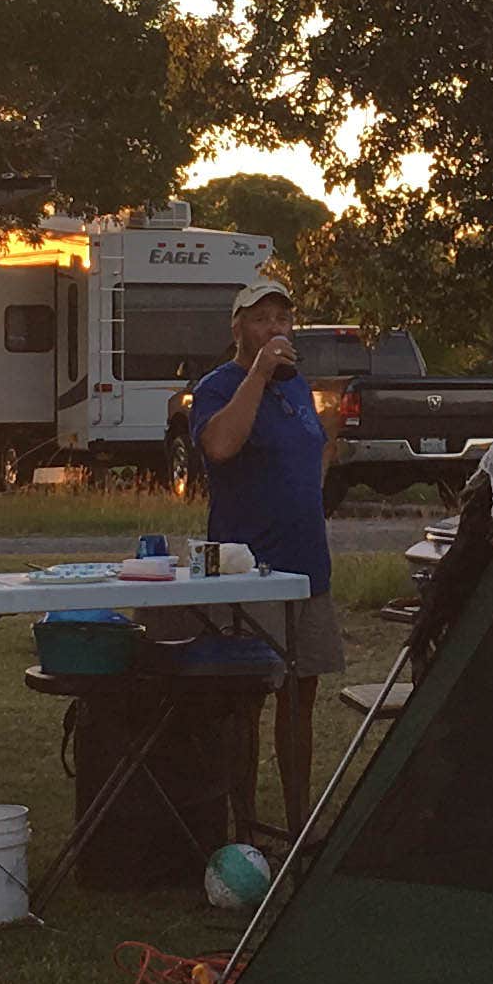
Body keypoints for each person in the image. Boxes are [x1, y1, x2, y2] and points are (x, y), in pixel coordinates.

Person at [185, 276, 340, 835]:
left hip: (306, 567)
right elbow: (222, 446)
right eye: (260, 318)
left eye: (282, 318)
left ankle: (299, 823)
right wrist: (257, 373)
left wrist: (326, 451)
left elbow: (313, 452)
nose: (275, 327)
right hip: (249, 572)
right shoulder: (218, 386)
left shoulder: (297, 388)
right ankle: (243, 823)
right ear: (237, 328)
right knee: (246, 700)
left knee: (301, 698)